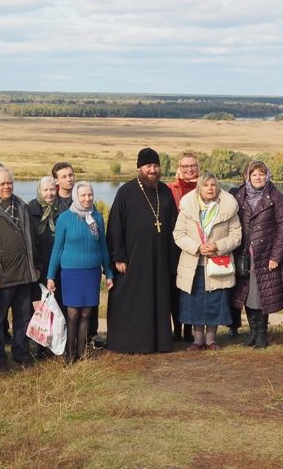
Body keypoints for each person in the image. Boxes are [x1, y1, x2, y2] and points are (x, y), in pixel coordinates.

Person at [106, 147, 178, 353]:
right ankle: (130, 343)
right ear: (139, 168)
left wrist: (173, 259)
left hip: (160, 260)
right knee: (132, 302)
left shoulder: (164, 191)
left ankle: (159, 342)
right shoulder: (126, 192)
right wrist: (118, 256)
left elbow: (174, 225)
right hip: (133, 259)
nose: (153, 170)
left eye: (156, 166)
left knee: (158, 299)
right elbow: (115, 227)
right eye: (148, 166)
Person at [0, 167, 40, 369]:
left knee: (23, 317)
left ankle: (21, 353)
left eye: (9, 183)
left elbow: (30, 240)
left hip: (23, 274)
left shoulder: (21, 206)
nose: (6, 187)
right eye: (2, 184)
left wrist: (33, 269)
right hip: (2, 277)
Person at [173, 172, 242, 351]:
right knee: (194, 302)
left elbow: (236, 236)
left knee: (215, 301)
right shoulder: (187, 207)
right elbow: (178, 234)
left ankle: (211, 340)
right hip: (193, 264)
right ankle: (197, 341)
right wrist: (197, 247)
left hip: (218, 263)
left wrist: (217, 246)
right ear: (199, 188)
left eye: (213, 185)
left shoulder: (228, 207)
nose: (210, 188)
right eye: (206, 185)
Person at [46, 181, 114, 363]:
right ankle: (69, 354)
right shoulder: (65, 218)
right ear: (76, 196)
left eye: (90, 194)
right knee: (73, 314)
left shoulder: (97, 218)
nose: (87, 198)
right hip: (71, 273)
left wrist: (109, 273)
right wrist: (51, 275)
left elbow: (103, 247)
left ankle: (81, 352)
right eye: (83, 195)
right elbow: (57, 249)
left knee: (86, 314)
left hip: (92, 273)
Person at [232, 161, 283, 348]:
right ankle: (252, 334)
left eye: (261, 173)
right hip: (244, 255)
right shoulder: (239, 195)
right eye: (254, 174)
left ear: (267, 176)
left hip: (265, 255)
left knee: (261, 295)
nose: (258, 177)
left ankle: (262, 335)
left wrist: (276, 256)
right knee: (246, 295)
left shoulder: (276, 196)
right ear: (247, 177)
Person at [168, 151, 200, 342]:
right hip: (175, 246)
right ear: (179, 168)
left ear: (198, 167)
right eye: (185, 166)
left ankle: (190, 329)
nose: (189, 169)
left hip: (197, 245)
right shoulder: (170, 189)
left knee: (194, 288)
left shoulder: (205, 187)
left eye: (193, 166)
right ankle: (177, 328)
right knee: (176, 288)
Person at [28, 176, 61, 358]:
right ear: (39, 191)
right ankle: (38, 346)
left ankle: (54, 344)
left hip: (57, 266)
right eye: (45, 190)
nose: (49, 193)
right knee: (39, 307)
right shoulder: (30, 209)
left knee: (56, 306)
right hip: (38, 267)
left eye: (52, 190)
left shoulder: (62, 209)